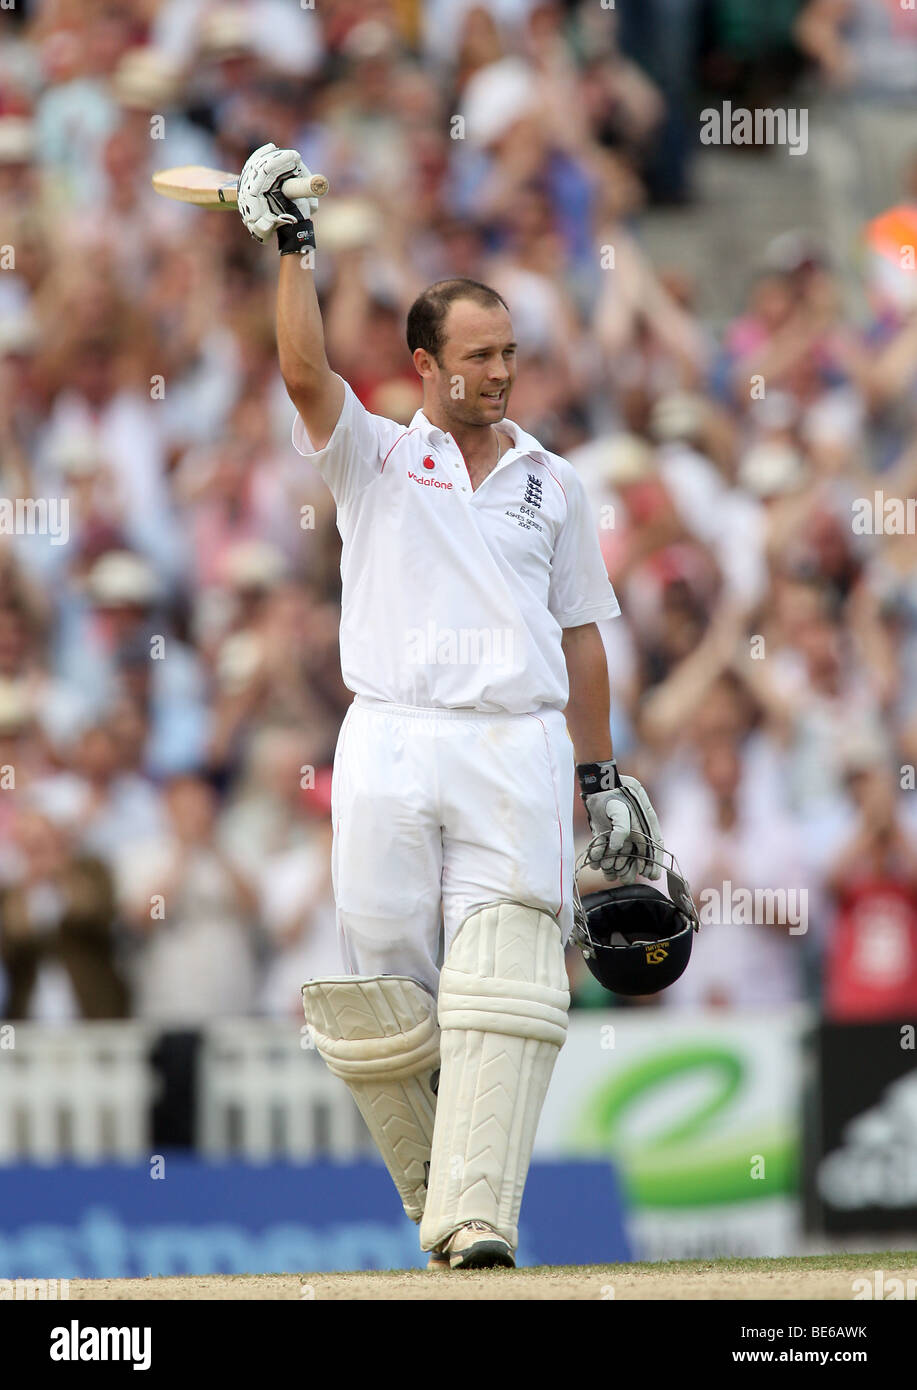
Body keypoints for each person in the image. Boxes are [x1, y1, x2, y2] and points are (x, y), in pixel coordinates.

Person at [235, 142, 665, 1271]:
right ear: (422, 365)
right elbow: (298, 371)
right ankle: (438, 1188)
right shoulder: (373, 456)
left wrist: (599, 774)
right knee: (377, 985)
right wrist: (294, 248)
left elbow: (580, 633)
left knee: (510, 968)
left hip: (514, 742)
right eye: (476, 355)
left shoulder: (552, 482)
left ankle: (479, 1217)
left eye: (509, 353)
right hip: (387, 732)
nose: (499, 372)